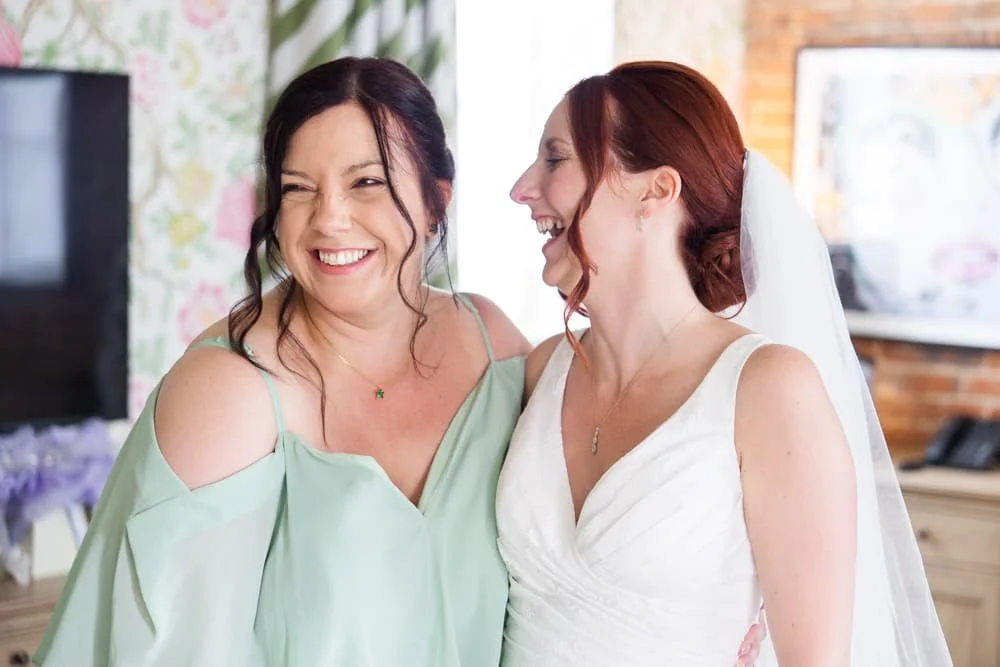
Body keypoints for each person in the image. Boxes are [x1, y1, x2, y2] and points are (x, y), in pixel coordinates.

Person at [32, 57, 766, 666]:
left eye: (367, 182)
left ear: (437, 199)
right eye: (298, 190)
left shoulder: (498, 349)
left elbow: (635, 483)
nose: (329, 220)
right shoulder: (233, 393)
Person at [498, 61, 952, 666]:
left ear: (655, 192)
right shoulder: (541, 370)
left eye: (555, 159)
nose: (522, 188)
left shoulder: (769, 391)